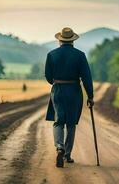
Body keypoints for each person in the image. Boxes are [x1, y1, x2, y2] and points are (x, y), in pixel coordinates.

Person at [45, 27, 94, 168]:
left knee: (58, 121)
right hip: (74, 90)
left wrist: (57, 80)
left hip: (58, 90)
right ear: (73, 40)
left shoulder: (51, 54)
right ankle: (67, 155)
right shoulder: (80, 55)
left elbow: (49, 77)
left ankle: (59, 147)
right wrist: (90, 96)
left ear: (60, 40)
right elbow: (87, 78)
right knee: (71, 123)